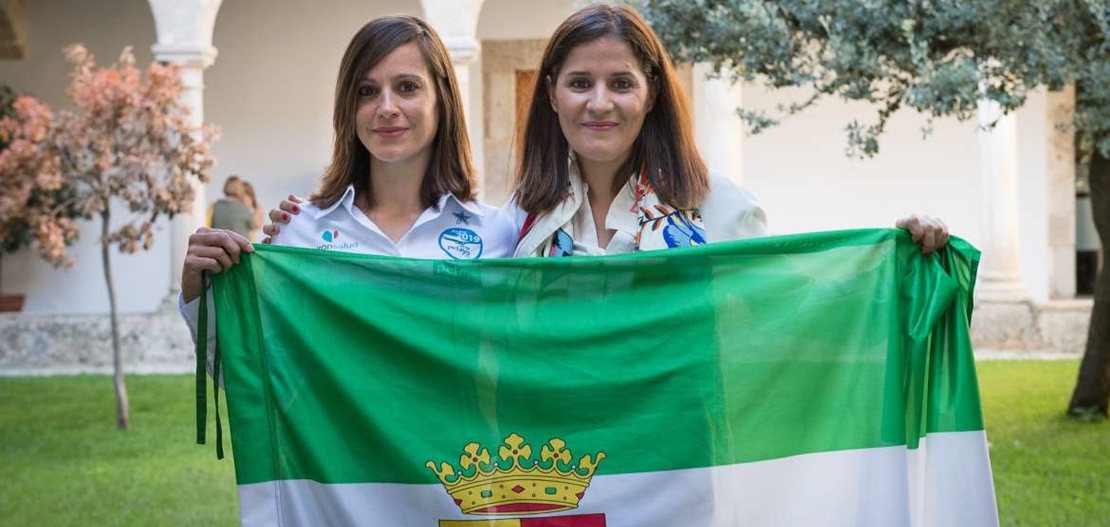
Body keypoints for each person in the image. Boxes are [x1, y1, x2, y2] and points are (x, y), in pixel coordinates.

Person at [267, 5, 947, 256]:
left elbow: (780, 331)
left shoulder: (719, 212)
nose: (600, 103)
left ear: (652, 97)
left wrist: (899, 260)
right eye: (579, 83)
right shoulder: (521, 230)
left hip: (674, 480)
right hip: (562, 484)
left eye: (622, 83)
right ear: (552, 98)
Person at [179, 15, 517, 336]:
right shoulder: (298, 231)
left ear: (441, 101)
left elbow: (518, 368)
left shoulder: (497, 235)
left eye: (407, 87)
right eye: (366, 91)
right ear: (348, 109)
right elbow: (262, 375)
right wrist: (198, 295)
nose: (386, 107)